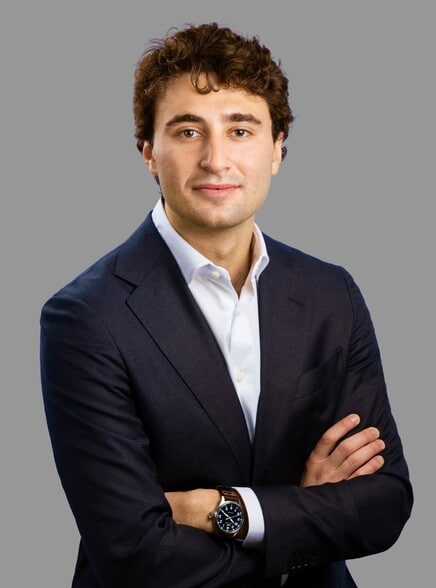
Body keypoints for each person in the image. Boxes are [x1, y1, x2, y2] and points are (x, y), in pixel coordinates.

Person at [40, 22, 412, 588]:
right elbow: (134, 552)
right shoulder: (85, 319)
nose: (216, 159)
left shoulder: (332, 294)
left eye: (241, 130)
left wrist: (217, 509)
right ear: (148, 152)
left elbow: (384, 503)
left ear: (278, 148)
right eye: (189, 131)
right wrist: (304, 517)